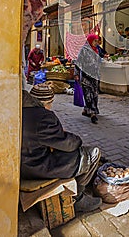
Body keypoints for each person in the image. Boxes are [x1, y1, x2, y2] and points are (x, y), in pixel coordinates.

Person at [21, 84, 102, 213]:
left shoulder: (20, 111)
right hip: (35, 168)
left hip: (21, 165)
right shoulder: (44, 116)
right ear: (48, 102)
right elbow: (68, 144)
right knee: (92, 153)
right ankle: (78, 198)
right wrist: (75, 139)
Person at [75, 34, 101, 124]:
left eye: (97, 41)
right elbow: (78, 62)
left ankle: (86, 110)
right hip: (86, 76)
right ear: (90, 41)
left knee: (95, 94)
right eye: (95, 41)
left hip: (95, 76)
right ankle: (92, 114)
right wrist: (77, 74)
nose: (96, 43)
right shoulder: (84, 50)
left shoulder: (96, 50)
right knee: (88, 95)